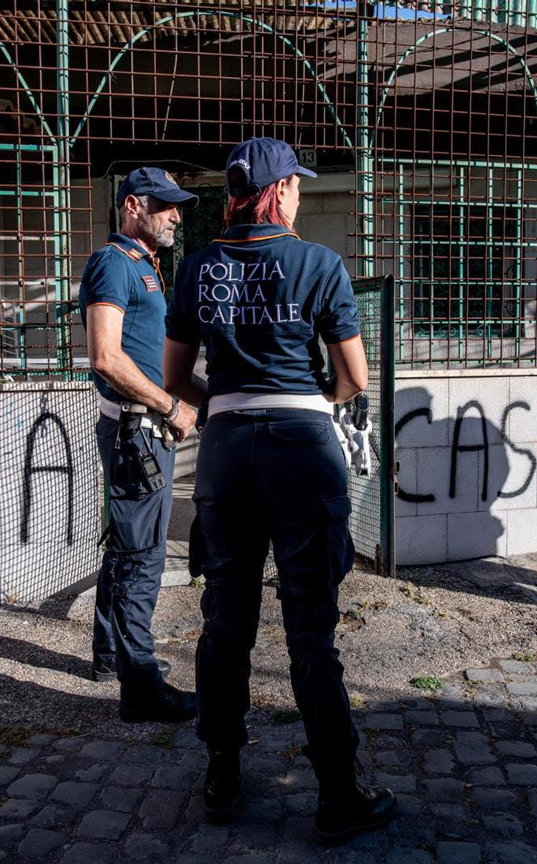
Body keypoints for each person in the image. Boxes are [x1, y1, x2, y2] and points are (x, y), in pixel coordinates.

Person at [162, 138, 396, 842]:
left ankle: (222, 774)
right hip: (302, 450)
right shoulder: (320, 264)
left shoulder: (197, 267)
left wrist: (231, 403)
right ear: (278, 193)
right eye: (293, 184)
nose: (297, 193)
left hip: (228, 452)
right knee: (310, 630)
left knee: (225, 619)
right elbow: (354, 377)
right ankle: (338, 794)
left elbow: (175, 381)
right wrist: (310, 398)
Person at [78, 167, 201, 723]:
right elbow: (105, 357)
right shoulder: (113, 263)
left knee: (128, 547)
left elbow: (150, 356)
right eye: (167, 205)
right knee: (142, 554)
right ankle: (141, 683)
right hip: (138, 431)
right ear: (133, 206)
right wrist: (171, 407)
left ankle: (112, 655)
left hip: (143, 428)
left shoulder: (143, 265)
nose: (177, 215)